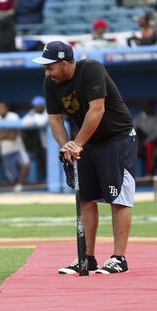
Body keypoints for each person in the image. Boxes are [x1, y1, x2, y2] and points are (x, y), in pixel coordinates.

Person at [32, 41, 137, 274]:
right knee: (86, 198)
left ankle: (119, 258)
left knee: (117, 197)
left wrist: (77, 143)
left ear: (66, 62)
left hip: (116, 138)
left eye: (50, 67)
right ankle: (86, 257)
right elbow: (55, 120)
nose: (47, 73)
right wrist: (66, 146)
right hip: (87, 143)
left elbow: (96, 110)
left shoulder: (91, 69)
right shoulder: (51, 83)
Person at [0, 102, 30, 191]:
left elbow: (13, 136)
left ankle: (20, 185)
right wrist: (5, 135)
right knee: (12, 174)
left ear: (6, 108)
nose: (1, 109)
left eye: (2, 107)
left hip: (17, 147)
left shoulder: (13, 116)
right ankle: (18, 187)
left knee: (26, 164)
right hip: (5, 151)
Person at [22, 95, 49, 182]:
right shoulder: (34, 112)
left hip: (54, 145)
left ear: (43, 105)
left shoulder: (48, 110)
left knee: (52, 165)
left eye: (38, 106)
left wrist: (33, 118)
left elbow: (41, 122)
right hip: (43, 145)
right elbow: (24, 122)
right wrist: (34, 118)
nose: (36, 108)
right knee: (43, 165)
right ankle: (46, 181)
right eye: (35, 106)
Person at [133, 101, 157, 176]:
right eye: (147, 107)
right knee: (128, 145)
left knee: (150, 146)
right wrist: (137, 141)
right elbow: (131, 130)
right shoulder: (139, 117)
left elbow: (155, 133)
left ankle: (150, 171)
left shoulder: (155, 118)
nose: (149, 108)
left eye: (151, 107)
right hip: (140, 141)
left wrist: (145, 142)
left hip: (152, 141)